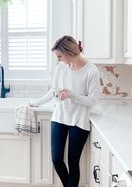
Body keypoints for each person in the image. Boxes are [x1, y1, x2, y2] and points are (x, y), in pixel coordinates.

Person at [29, 35, 100, 187]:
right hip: (60, 116)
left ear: (68, 52)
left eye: (60, 56)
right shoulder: (60, 68)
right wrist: (37, 102)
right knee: (56, 159)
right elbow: (53, 92)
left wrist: (72, 95)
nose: (59, 60)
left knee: (73, 162)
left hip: (79, 120)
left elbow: (92, 101)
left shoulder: (91, 71)